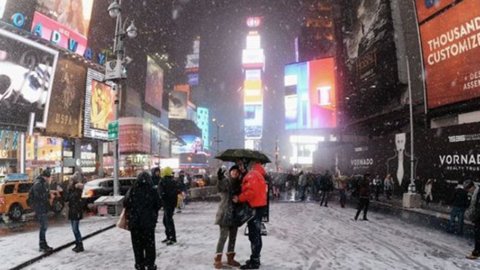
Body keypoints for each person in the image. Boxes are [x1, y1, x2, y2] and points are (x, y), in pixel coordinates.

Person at [233, 161, 267, 270]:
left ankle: (254, 262)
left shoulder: (252, 174)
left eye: (242, 165)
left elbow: (250, 192)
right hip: (259, 207)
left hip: (254, 208)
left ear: (248, 164)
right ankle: (255, 258)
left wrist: (239, 198)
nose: (240, 167)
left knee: (254, 235)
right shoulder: (258, 174)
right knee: (255, 234)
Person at [124, 171, 161, 270]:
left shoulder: (133, 190)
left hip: (135, 224)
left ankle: (139, 264)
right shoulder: (152, 190)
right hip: (148, 224)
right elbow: (158, 204)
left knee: (137, 246)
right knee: (149, 245)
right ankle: (150, 264)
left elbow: (126, 203)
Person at [214, 165, 242, 269]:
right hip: (225, 213)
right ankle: (218, 259)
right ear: (230, 172)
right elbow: (220, 187)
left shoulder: (239, 184)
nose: (235, 173)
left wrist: (238, 198)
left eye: (237, 172)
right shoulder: (226, 181)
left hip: (235, 214)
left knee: (233, 238)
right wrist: (220, 178)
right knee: (223, 237)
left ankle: (230, 258)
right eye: (233, 171)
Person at [31, 167, 53, 252]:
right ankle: (42, 245)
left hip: (41, 207)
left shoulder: (41, 183)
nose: (50, 179)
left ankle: (43, 244)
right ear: (46, 177)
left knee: (44, 226)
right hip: (40, 208)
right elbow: (39, 197)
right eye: (49, 177)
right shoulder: (39, 184)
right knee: (43, 226)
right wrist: (47, 196)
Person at [158, 167, 180, 245]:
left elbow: (161, 193)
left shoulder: (162, 181)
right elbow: (177, 190)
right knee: (167, 220)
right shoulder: (173, 181)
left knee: (168, 220)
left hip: (166, 203)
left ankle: (171, 237)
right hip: (172, 203)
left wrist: (162, 200)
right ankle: (170, 236)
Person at [66, 172, 85, 252]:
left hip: (76, 210)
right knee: (74, 229)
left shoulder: (78, 189)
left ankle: (80, 245)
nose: (70, 181)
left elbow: (76, 198)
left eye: (71, 180)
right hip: (72, 210)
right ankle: (77, 243)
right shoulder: (71, 189)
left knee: (75, 229)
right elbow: (67, 198)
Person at [466, 182, 480, 259]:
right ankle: (476, 251)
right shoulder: (476, 193)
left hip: (478, 218)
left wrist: (474, 216)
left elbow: (477, 207)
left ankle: (476, 252)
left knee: (478, 235)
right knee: (477, 235)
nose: (469, 191)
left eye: (469, 189)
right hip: (478, 217)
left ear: (472, 187)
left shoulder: (478, 193)